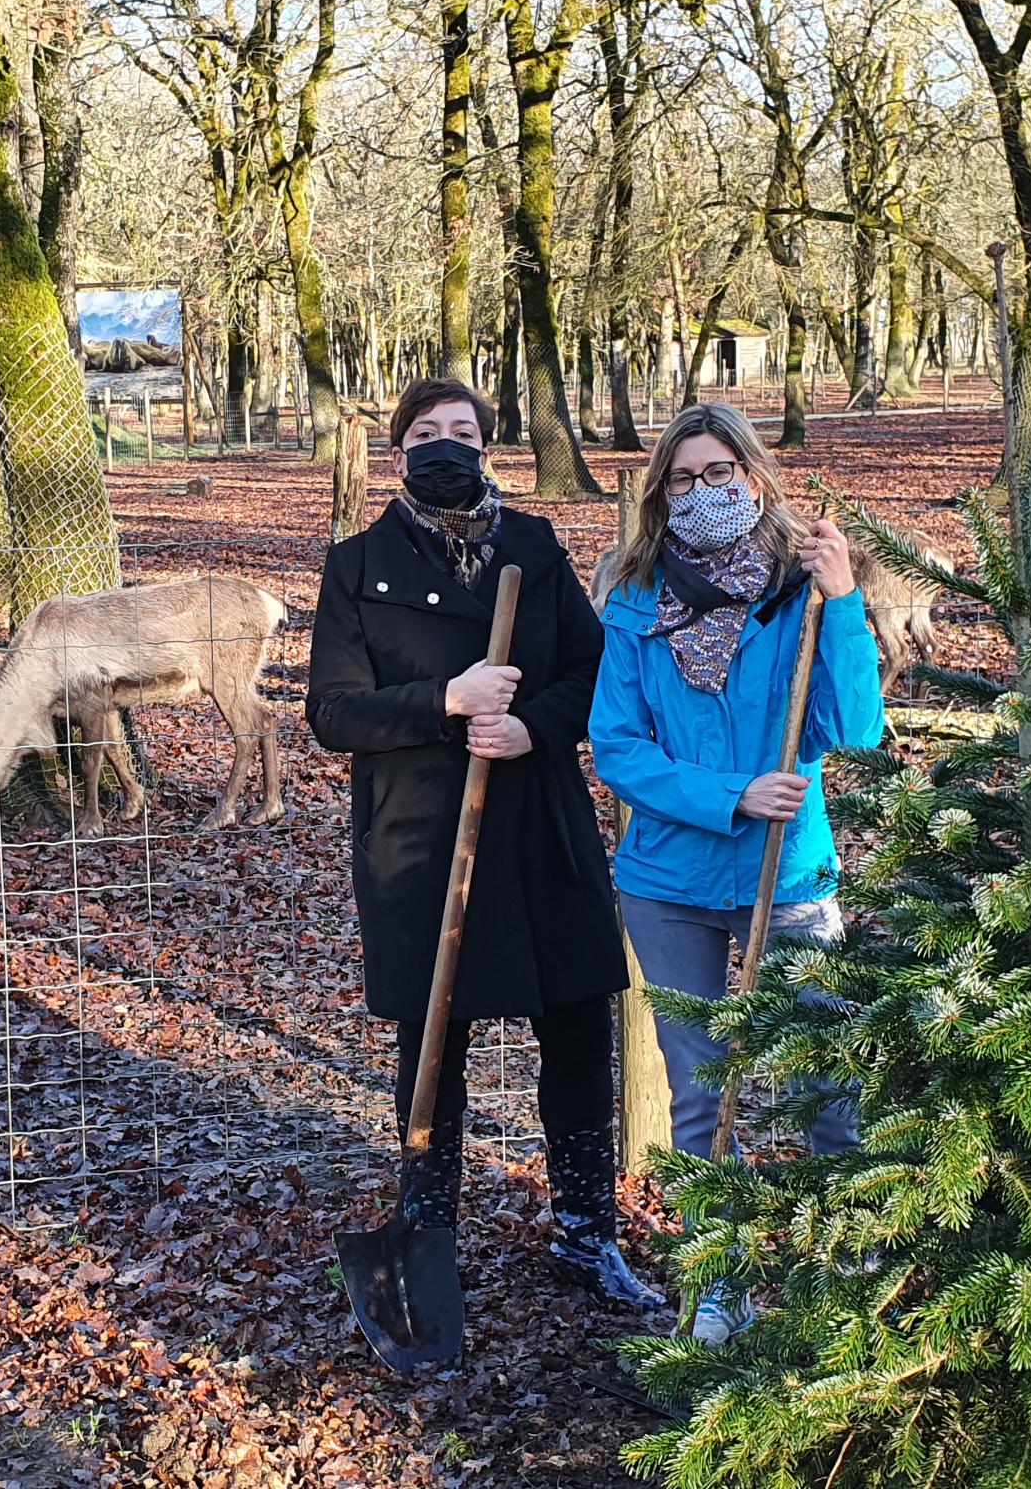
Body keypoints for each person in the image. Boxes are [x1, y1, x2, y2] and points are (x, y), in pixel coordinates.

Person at [306, 376, 663, 1309]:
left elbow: (590, 670)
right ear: (399, 452)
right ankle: (428, 1237)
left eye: (463, 431)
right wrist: (446, 702)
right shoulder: (357, 564)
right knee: (435, 1042)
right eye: (427, 432)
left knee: (579, 1024)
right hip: (424, 839)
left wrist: (532, 728)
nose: (446, 444)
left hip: (538, 826)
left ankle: (586, 1234)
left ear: (487, 446)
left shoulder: (534, 547)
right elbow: (332, 714)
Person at [588, 401, 884, 1345]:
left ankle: (852, 1263)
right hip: (668, 882)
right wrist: (729, 794)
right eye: (683, 478)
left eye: (721, 473)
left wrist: (841, 604)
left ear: (754, 478)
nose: (704, 491)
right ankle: (723, 1281)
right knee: (701, 1094)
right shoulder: (635, 598)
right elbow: (616, 746)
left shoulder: (802, 589)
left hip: (787, 881)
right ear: (660, 494)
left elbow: (857, 728)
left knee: (826, 1080)